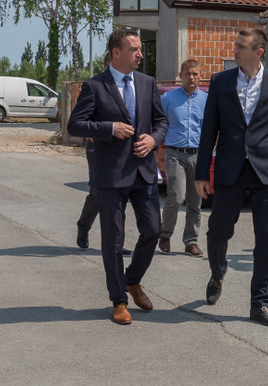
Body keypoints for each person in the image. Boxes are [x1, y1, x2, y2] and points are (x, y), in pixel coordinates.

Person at [195, 28, 268, 327]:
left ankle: (261, 303)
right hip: (229, 168)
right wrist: (201, 173)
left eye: (241, 46)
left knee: (267, 240)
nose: (235, 51)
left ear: (258, 52)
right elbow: (209, 129)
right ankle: (217, 273)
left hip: (265, 170)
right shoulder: (221, 81)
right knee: (218, 231)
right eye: (236, 45)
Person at [67, 28, 168, 325]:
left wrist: (154, 140)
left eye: (140, 49)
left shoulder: (147, 83)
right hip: (111, 175)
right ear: (116, 52)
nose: (140, 54)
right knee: (113, 240)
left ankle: (132, 280)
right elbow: (75, 125)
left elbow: (162, 121)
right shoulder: (95, 86)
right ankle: (119, 300)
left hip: (143, 172)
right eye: (134, 49)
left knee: (153, 230)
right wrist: (109, 128)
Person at [74, 51, 132, 257]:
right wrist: (102, 129)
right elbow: (80, 122)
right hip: (98, 148)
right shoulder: (96, 87)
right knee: (98, 193)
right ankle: (84, 225)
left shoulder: (129, 87)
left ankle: (117, 241)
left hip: (123, 150)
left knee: (120, 195)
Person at [158, 59, 208, 257]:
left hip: (198, 155)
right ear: (181, 76)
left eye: (195, 74)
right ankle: (165, 235)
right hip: (174, 153)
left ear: (200, 76)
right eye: (187, 74)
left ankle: (191, 241)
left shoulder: (206, 100)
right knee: (176, 196)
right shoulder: (168, 98)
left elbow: (212, 127)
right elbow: (160, 123)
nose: (191, 77)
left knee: (195, 201)